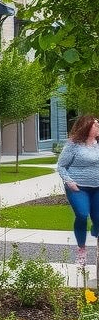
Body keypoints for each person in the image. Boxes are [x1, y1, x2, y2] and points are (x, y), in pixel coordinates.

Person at [57, 114, 99, 268]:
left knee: (98, 218)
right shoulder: (73, 144)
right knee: (82, 214)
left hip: (97, 189)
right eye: (96, 124)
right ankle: (81, 249)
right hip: (78, 187)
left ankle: (96, 231)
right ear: (87, 127)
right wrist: (69, 181)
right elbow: (61, 166)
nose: (98, 126)